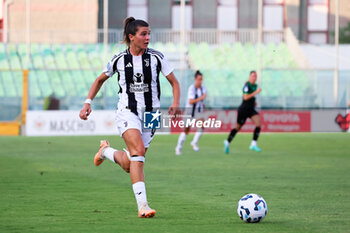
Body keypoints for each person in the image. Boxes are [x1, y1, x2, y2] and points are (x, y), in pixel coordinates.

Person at [79, 17, 180, 218]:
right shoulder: (119, 60)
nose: (148, 38)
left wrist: (176, 103)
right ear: (131, 37)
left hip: (152, 115)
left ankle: (106, 151)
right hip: (127, 111)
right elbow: (100, 80)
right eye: (143, 34)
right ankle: (143, 206)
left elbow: (174, 83)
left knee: (130, 163)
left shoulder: (157, 58)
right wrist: (87, 102)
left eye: (149, 33)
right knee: (138, 153)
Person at [224, 70, 262, 153]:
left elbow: (250, 96)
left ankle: (253, 144)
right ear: (249, 77)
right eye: (252, 76)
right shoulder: (246, 85)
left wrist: (254, 101)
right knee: (237, 128)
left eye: (255, 76)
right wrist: (255, 93)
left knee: (258, 123)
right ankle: (227, 142)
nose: (254, 77)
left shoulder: (255, 85)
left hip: (251, 109)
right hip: (243, 110)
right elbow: (245, 97)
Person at [175, 70, 207, 155]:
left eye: (201, 79)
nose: (200, 81)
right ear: (195, 79)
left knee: (202, 125)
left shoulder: (203, 88)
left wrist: (202, 103)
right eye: (199, 79)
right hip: (189, 112)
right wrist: (201, 98)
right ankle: (178, 147)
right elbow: (191, 101)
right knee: (186, 130)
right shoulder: (192, 88)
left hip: (198, 111)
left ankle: (194, 142)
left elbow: (199, 100)